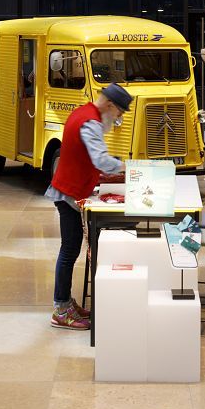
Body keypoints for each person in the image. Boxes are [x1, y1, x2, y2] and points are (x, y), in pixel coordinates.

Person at [45, 82, 133, 330]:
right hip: (68, 193)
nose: (119, 118)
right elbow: (101, 159)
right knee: (69, 251)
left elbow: (87, 158)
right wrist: (127, 166)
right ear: (110, 105)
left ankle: (66, 303)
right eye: (119, 113)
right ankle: (61, 309)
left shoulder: (83, 111)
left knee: (69, 251)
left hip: (69, 189)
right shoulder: (92, 123)